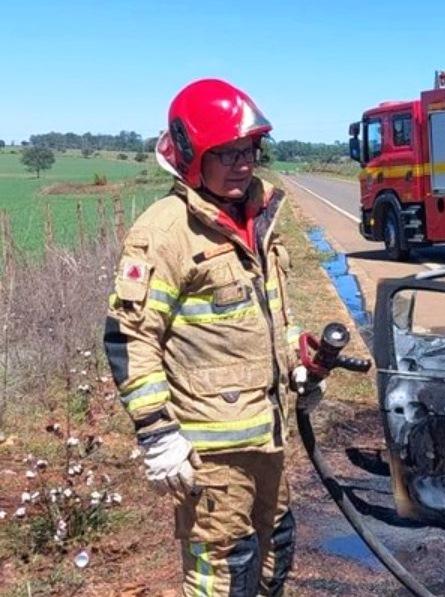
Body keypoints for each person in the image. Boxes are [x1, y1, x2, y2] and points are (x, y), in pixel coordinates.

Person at [104, 79, 320, 595]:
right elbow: (129, 336)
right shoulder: (166, 233)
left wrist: (297, 362)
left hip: (266, 437)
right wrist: (157, 433)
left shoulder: (255, 218)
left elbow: (268, 313)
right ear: (190, 156)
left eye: (248, 150)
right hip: (210, 452)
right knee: (224, 572)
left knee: (275, 554)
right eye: (225, 153)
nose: (242, 164)